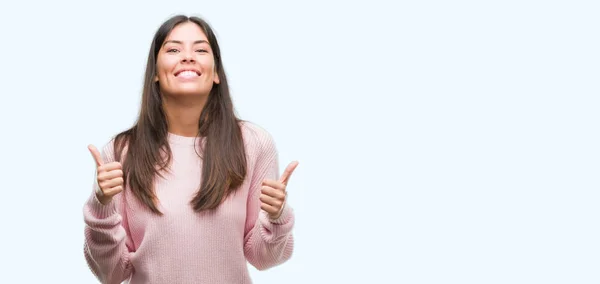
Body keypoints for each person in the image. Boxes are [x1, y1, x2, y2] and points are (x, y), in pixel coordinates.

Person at [82, 14, 298, 284]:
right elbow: (111, 273)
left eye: (200, 49)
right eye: (173, 49)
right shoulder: (120, 153)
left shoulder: (253, 144)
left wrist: (277, 216)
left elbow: (263, 257)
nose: (187, 57)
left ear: (216, 73)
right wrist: (100, 205)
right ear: (155, 74)